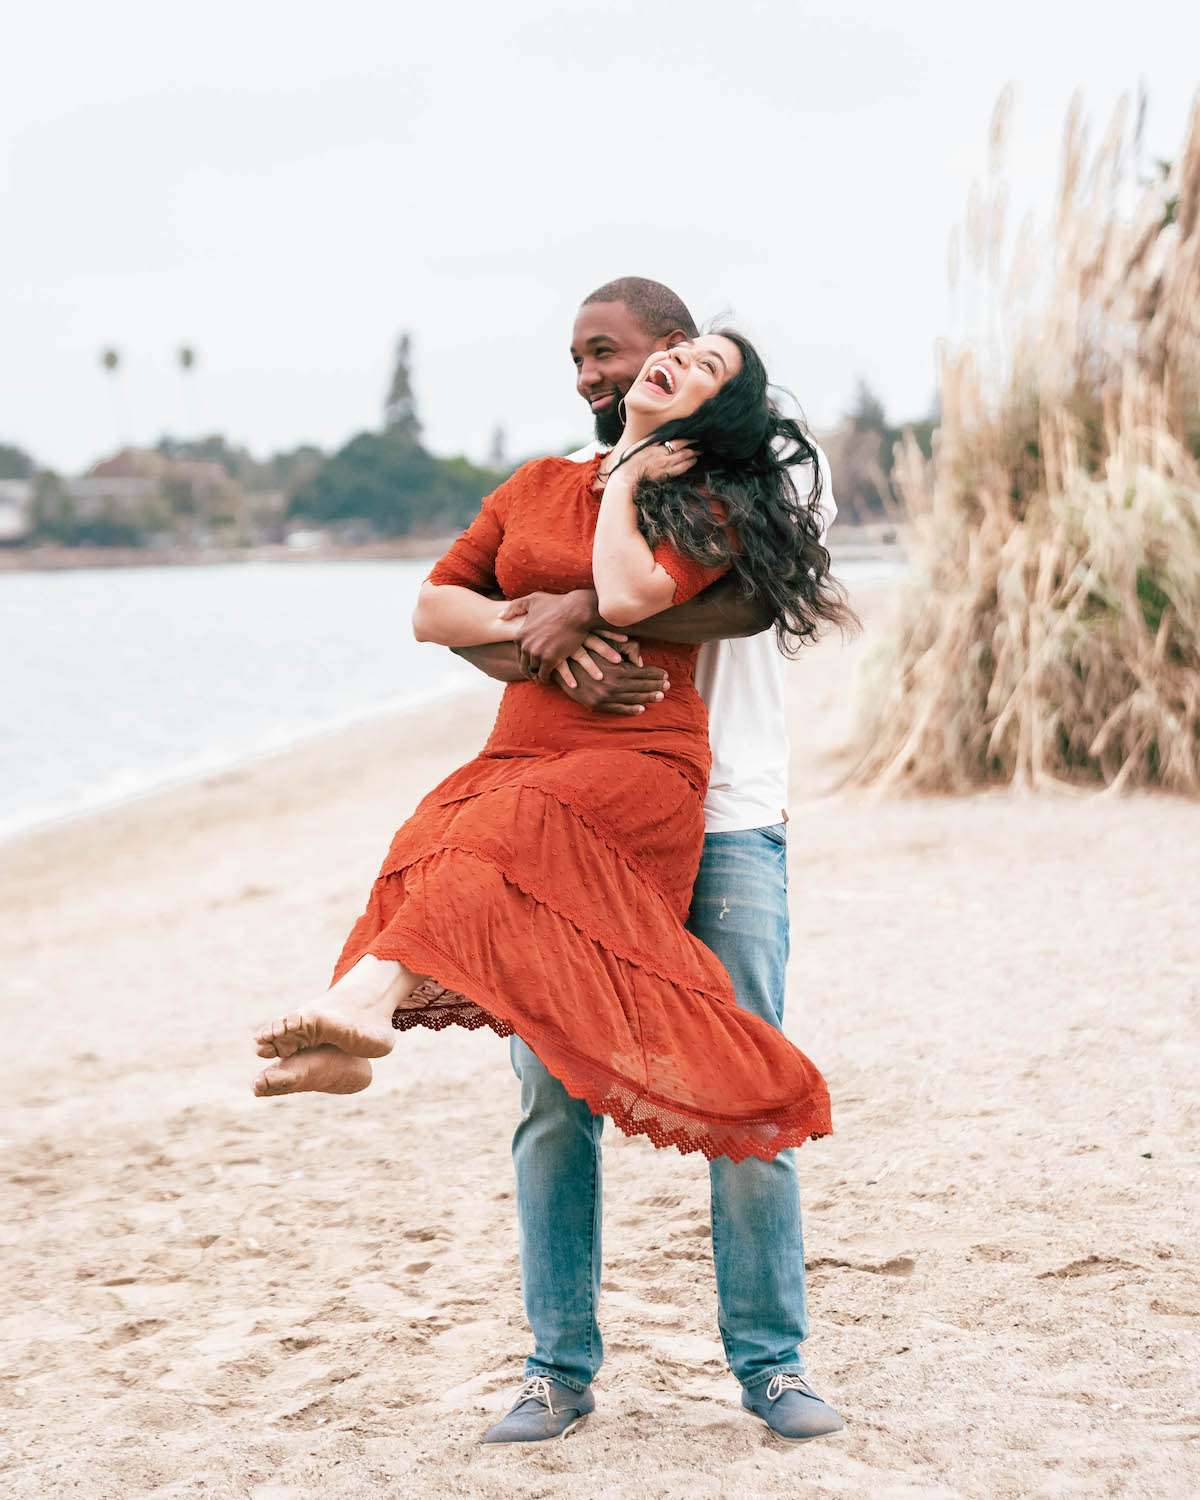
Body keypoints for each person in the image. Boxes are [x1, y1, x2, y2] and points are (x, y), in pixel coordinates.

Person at [252, 304, 851, 1443]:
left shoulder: (754, 479)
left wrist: (587, 595)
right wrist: (544, 631)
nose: (591, 373)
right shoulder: (550, 481)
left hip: (725, 813)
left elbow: (732, 600)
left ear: (676, 349)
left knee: (741, 1058)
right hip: (560, 772)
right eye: (578, 356)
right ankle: (558, 1369)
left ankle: (772, 1365)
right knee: (547, 1093)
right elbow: (456, 616)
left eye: (609, 351)